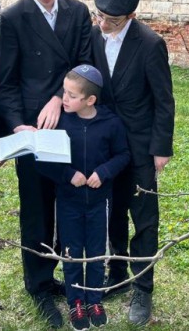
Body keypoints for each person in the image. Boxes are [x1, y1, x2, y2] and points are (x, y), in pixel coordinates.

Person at [0, 0, 93, 328]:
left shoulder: (78, 12)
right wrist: (18, 125)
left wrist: (59, 98)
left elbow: (83, 64)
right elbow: (6, 82)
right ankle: (37, 282)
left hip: (70, 118)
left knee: (70, 200)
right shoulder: (13, 17)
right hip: (33, 130)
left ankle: (67, 274)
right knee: (36, 206)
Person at [91, 0, 175, 326]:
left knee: (144, 218)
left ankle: (143, 288)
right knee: (112, 211)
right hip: (105, 144)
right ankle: (117, 273)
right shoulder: (94, 36)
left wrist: (161, 148)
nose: (103, 24)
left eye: (111, 19)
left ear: (131, 15)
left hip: (139, 144)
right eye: (99, 16)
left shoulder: (150, 43)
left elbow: (163, 99)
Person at [34, 65, 131, 330]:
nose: (63, 99)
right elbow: (42, 161)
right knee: (72, 252)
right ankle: (76, 301)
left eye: (71, 95)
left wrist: (103, 171)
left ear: (90, 100)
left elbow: (123, 155)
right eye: (64, 92)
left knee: (97, 253)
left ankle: (94, 299)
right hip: (68, 202)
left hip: (100, 203)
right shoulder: (59, 123)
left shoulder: (110, 123)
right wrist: (68, 174)